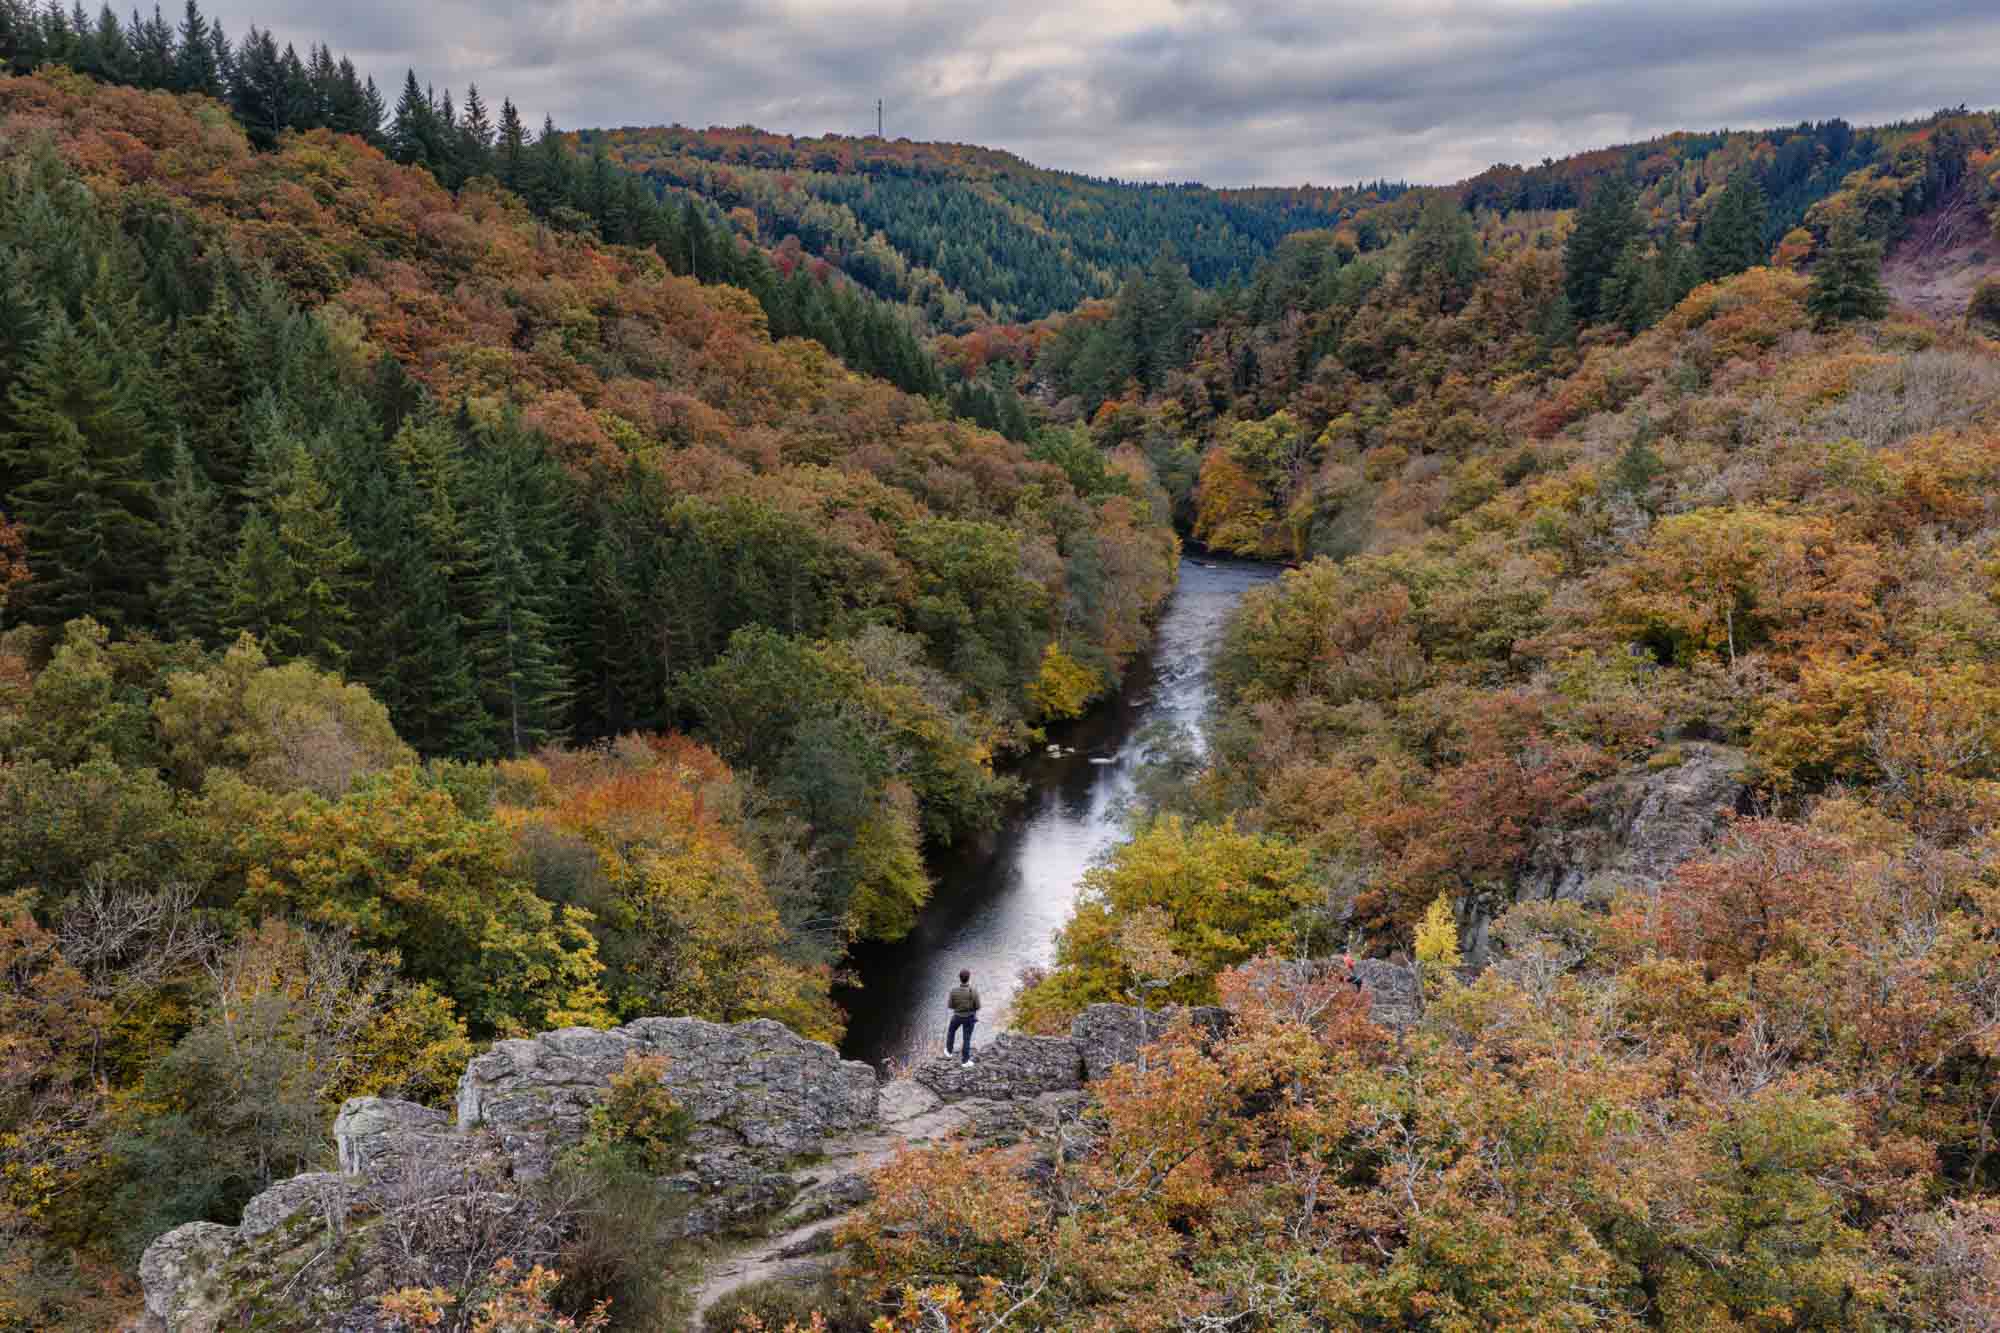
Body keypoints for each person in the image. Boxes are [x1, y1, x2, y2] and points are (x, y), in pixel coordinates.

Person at [946, 968, 979, 1066]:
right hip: (970, 1018)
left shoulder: (954, 991)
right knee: (967, 1038)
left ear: (960, 979)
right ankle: (965, 1061)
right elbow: (977, 1006)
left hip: (957, 1017)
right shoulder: (973, 991)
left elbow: (950, 1006)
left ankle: (949, 1052)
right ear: (968, 978)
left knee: (951, 1031)